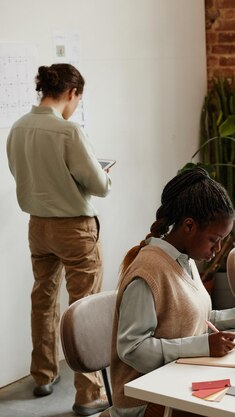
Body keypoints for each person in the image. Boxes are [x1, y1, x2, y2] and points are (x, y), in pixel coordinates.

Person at [6, 64, 111, 415]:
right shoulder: (69, 132)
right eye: (77, 100)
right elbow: (98, 186)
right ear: (71, 92)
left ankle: (42, 375)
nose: (75, 107)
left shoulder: (17, 128)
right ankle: (87, 394)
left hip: (38, 226)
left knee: (43, 298)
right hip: (75, 229)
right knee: (85, 306)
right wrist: (101, 174)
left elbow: (20, 172)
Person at [107, 168, 235, 417]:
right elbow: (133, 350)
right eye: (214, 240)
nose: (217, 249)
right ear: (189, 226)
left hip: (178, 382)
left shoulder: (184, 259)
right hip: (145, 401)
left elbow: (189, 317)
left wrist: (234, 317)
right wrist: (202, 346)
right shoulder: (147, 273)